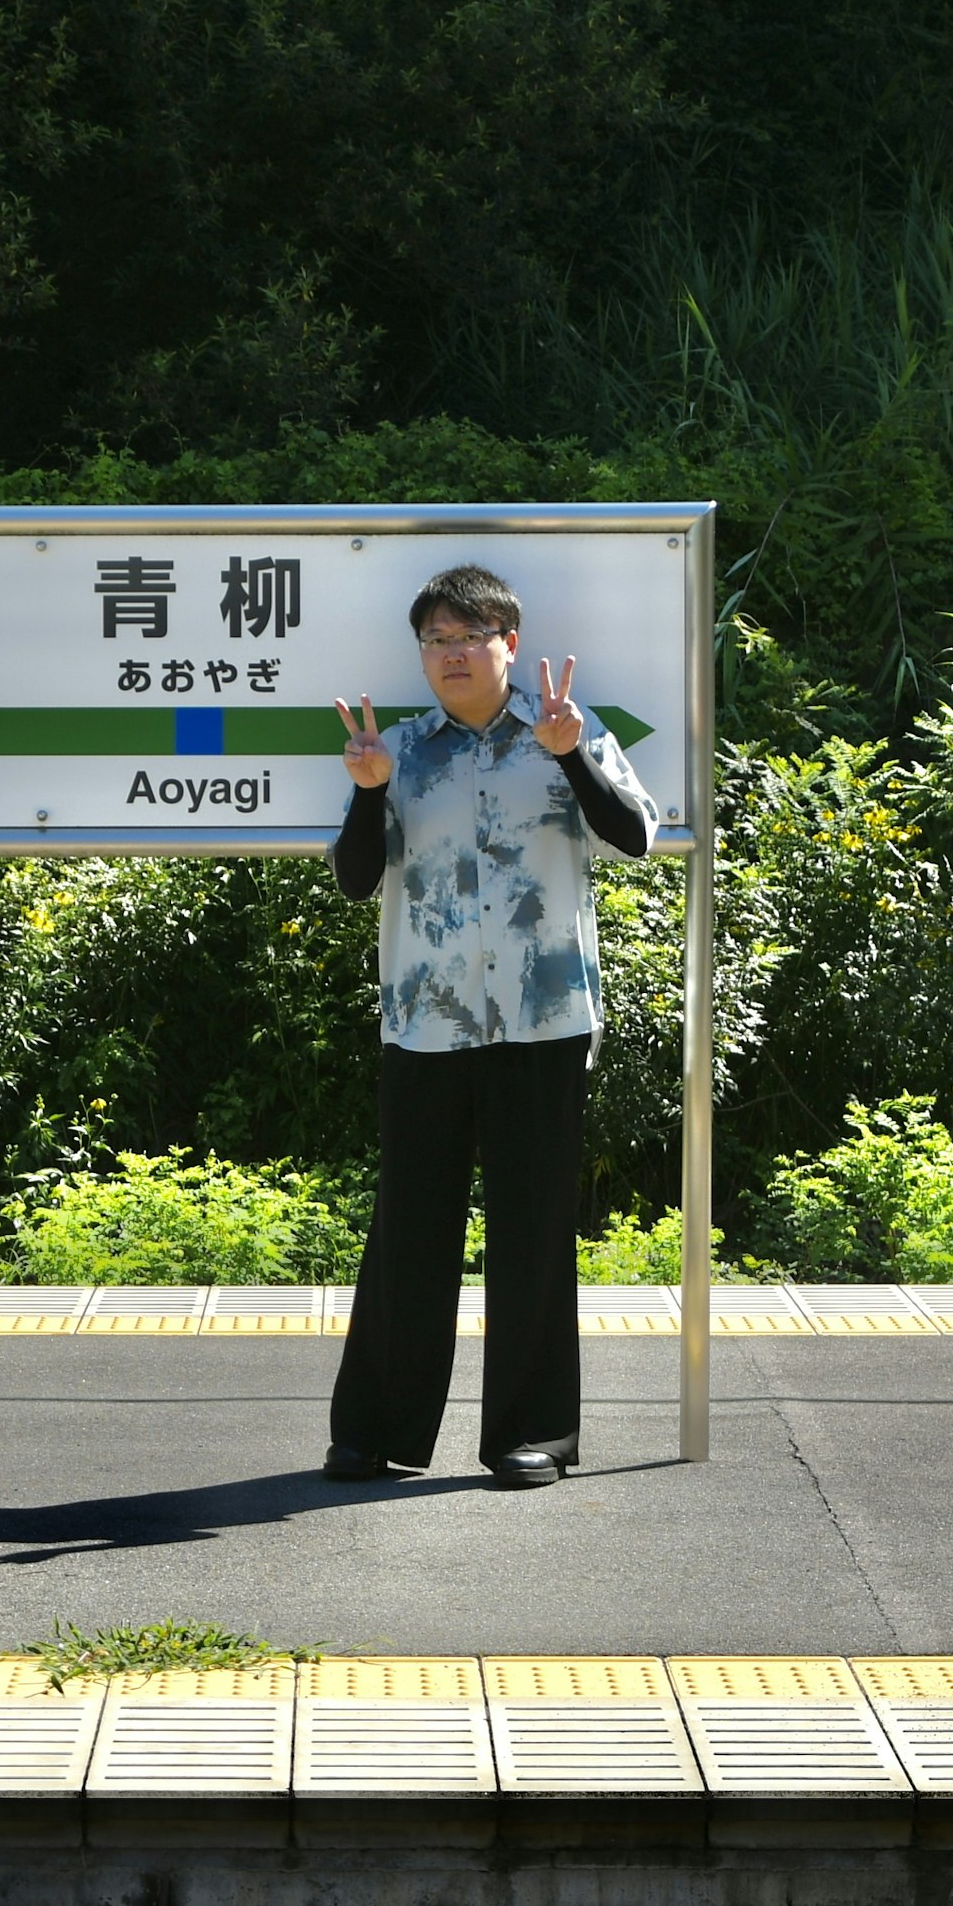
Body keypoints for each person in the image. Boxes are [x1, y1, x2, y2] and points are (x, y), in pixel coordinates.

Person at [320, 562, 659, 1489]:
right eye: (436, 640)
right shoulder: (399, 754)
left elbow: (634, 837)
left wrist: (571, 754)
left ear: (511, 644)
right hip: (424, 1025)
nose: (452, 654)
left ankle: (535, 1433)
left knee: (535, 1227)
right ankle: (374, 1432)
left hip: (543, 1021)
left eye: (471, 637)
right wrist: (365, 791)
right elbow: (356, 880)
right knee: (408, 1229)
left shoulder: (566, 734)